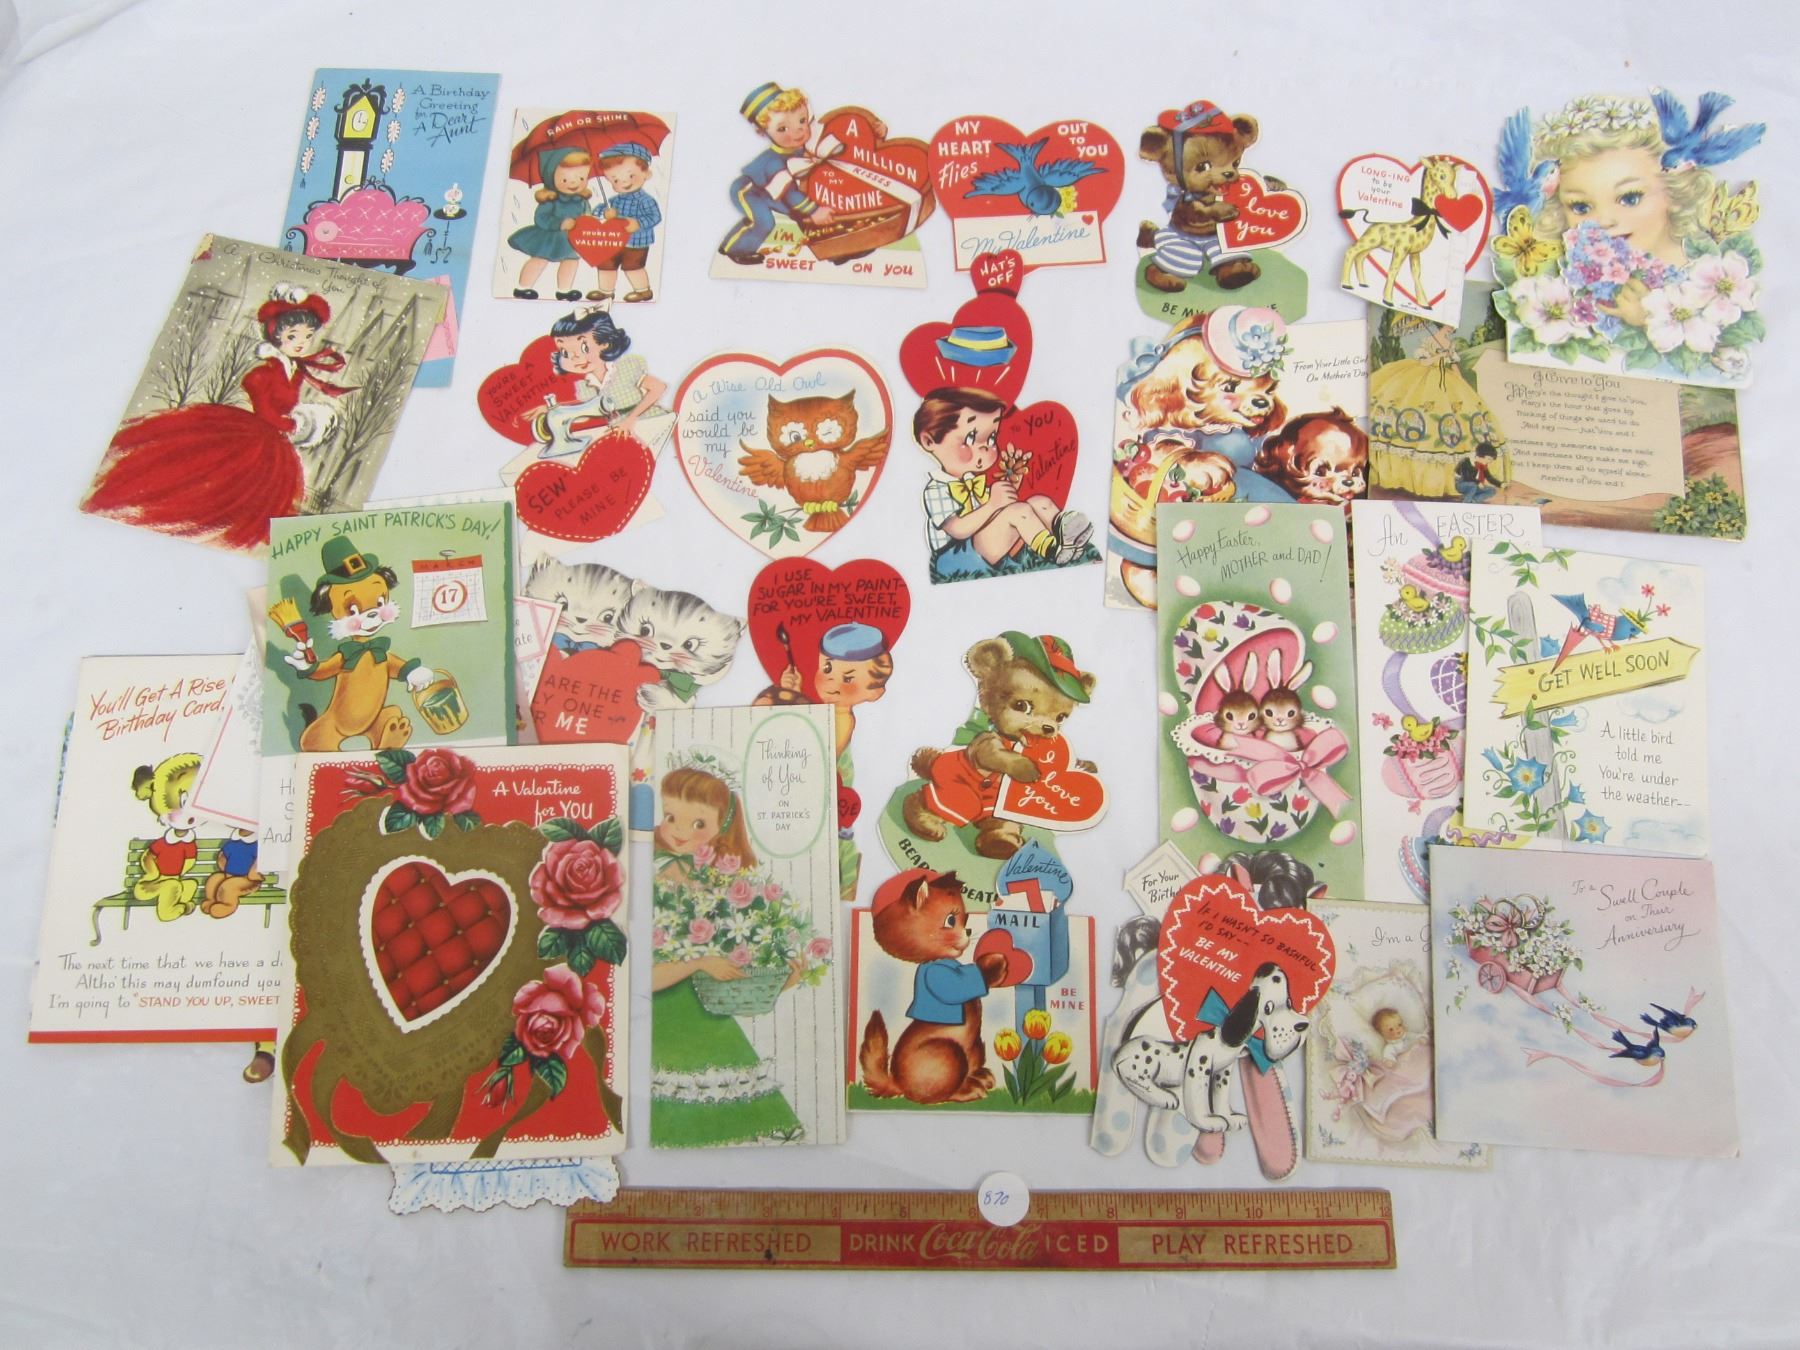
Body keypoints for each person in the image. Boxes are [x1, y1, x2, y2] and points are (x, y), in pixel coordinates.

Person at [84, 284, 351, 551]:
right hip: (254, 434)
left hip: (275, 441)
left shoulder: (296, 371)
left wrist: (298, 420)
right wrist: (291, 424)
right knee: (214, 475)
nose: (302, 343)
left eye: (308, 336)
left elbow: (285, 404)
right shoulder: (264, 373)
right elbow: (264, 409)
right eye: (293, 336)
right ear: (276, 336)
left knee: (260, 494)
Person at [649, 765, 808, 1146]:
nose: (680, 831)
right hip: (665, 1026)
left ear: (723, 827)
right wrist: (699, 963)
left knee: (739, 1119)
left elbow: (728, 978)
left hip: (707, 1020)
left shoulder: (714, 884)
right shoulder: (654, 879)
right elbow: (641, 978)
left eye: (698, 824)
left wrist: (780, 981)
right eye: (670, 817)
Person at [916, 387, 1090, 581]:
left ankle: (1067, 535)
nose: (985, 448)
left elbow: (992, 516)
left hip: (978, 545)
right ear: (929, 441)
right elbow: (958, 530)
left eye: (991, 438)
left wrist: (1008, 493)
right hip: (954, 557)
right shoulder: (936, 489)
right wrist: (993, 504)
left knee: (1038, 502)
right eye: (970, 438)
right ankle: (1052, 551)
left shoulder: (972, 481)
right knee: (1019, 512)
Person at [717, 83, 844, 266]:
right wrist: (814, 210)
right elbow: (789, 193)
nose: (799, 130)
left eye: (802, 120)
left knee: (801, 215)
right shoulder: (773, 163)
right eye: (782, 128)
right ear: (762, 132)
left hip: (772, 191)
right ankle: (734, 249)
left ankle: (833, 250)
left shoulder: (801, 147)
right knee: (764, 222)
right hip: (750, 191)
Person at [509, 146, 593, 300]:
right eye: (565, 179)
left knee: (571, 260)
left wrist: (588, 219)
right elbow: (541, 218)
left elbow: (587, 214)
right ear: (550, 178)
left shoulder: (581, 200)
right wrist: (560, 223)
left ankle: (564, 290)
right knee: (540, 259)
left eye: (581, 178)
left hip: (571, 238)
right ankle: (523, 287)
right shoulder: (551, 199)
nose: (574, 183)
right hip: (550, 237)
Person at [587, 142, 662, 304]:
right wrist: (604, 213)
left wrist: (638, 223)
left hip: (636, 242)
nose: (623, 182)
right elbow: (597, 211)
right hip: (613, 241)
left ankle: (643, 290)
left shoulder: (645, 200)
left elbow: (655, 217)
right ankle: (606, 292)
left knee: (633, 266)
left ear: (647, 174)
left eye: (630, 176)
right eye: (615, 180)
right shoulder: (613, 201)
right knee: (606, 265)